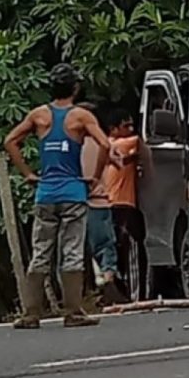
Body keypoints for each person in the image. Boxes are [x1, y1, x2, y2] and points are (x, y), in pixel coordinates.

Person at [4, 63, 115, 329]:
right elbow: (105, 144)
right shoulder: (81, 117)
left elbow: (10, 141)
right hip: (74, 192)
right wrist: (96, 176)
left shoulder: (39, 115)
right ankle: (73, 312)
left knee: (41, 251)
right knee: (72, 251)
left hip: (46, 194)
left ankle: (31, 314)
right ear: (75, 88)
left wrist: (28, 173)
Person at [78, 103, 126, 305]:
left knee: (75, 249)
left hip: (74, 203)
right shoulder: (103, 144)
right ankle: (108, 284)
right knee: (105, 245)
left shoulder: (73, 145)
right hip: (98, 202)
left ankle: (84, 294)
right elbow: (120, 162)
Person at [103, 109, 149, 300]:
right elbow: (143, 142)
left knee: (120, 250)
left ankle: (124, 292)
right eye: (125, 126)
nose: (130, 129)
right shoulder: (119, 144)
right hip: (122, 204)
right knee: (132, 250)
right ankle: (134, 294)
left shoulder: (105, 147)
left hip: (113, 204)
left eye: (132, 125)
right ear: (113, 129)